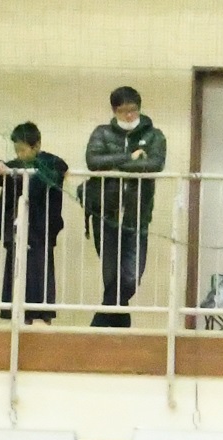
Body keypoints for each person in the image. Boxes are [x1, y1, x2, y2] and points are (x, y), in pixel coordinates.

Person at [83, 87, 166, 328]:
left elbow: (155, 164)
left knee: (130, 277)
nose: (129, 116)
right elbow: (93, 161)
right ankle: (119, 332)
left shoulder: (154, 135)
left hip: (137, 214)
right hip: (106, 214)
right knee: (112, 278)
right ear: (114, 111)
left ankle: (98, 325)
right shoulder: (102, 133)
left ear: (139, 108)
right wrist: (129, 157)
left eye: (133, 110)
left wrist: (118, 167)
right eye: (123, 111)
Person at [0, 123, 67, 323]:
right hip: (16, 228)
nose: (19, 155)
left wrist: (15, 175)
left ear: (36, 145)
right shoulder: (16, 165)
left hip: (41, 229)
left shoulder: (52, 163)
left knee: (40, 273)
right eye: (16, 150)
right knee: (15, 272)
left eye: (23, 149)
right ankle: (18, 316)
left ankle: (41, 316)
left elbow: (48, 177)